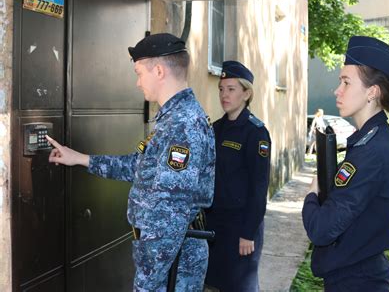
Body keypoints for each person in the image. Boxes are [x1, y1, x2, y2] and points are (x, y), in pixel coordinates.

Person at [46, 33, 215, 292]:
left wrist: (146, 282)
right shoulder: (174, 120)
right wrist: (78, 158)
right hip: (167, 258)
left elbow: (170, 212)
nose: (137, 83)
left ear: (159, 71)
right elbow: (138, 167)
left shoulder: (182, 125)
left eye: (139, 72)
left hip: (171, 263)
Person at [302, 36, 389, 291]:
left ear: (372, 93)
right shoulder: (371, 143)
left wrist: (312, 191)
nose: (337, 90)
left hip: (357, 281)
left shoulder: (372, 152)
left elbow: (321, 229)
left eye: (346, 82)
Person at [204, 61, 271, 292]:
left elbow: (259, 186)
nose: (224, 95)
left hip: (241, 227)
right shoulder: (216, 129)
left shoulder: (256, 132)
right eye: (221, 89)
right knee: (215, 284)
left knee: (241, 286)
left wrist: (248, 232)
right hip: (216, 225)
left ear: (246, 93)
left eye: (231, 89)